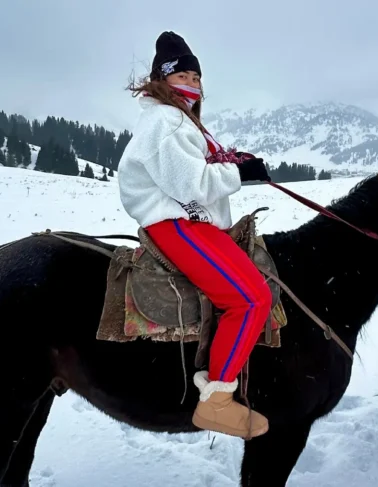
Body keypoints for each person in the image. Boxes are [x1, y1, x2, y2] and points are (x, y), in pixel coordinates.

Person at [117, 31, 273, 438]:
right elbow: (190, 184)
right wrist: (240, 174)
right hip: (175, 222)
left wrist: (234, 160)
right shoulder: (165, 121)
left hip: (192, 220)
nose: (193, 84)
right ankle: (217, 402)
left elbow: (198, 165)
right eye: (183, 75)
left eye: (198, 78)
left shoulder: (179, 119)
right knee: (251, 299)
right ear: (162, 79)